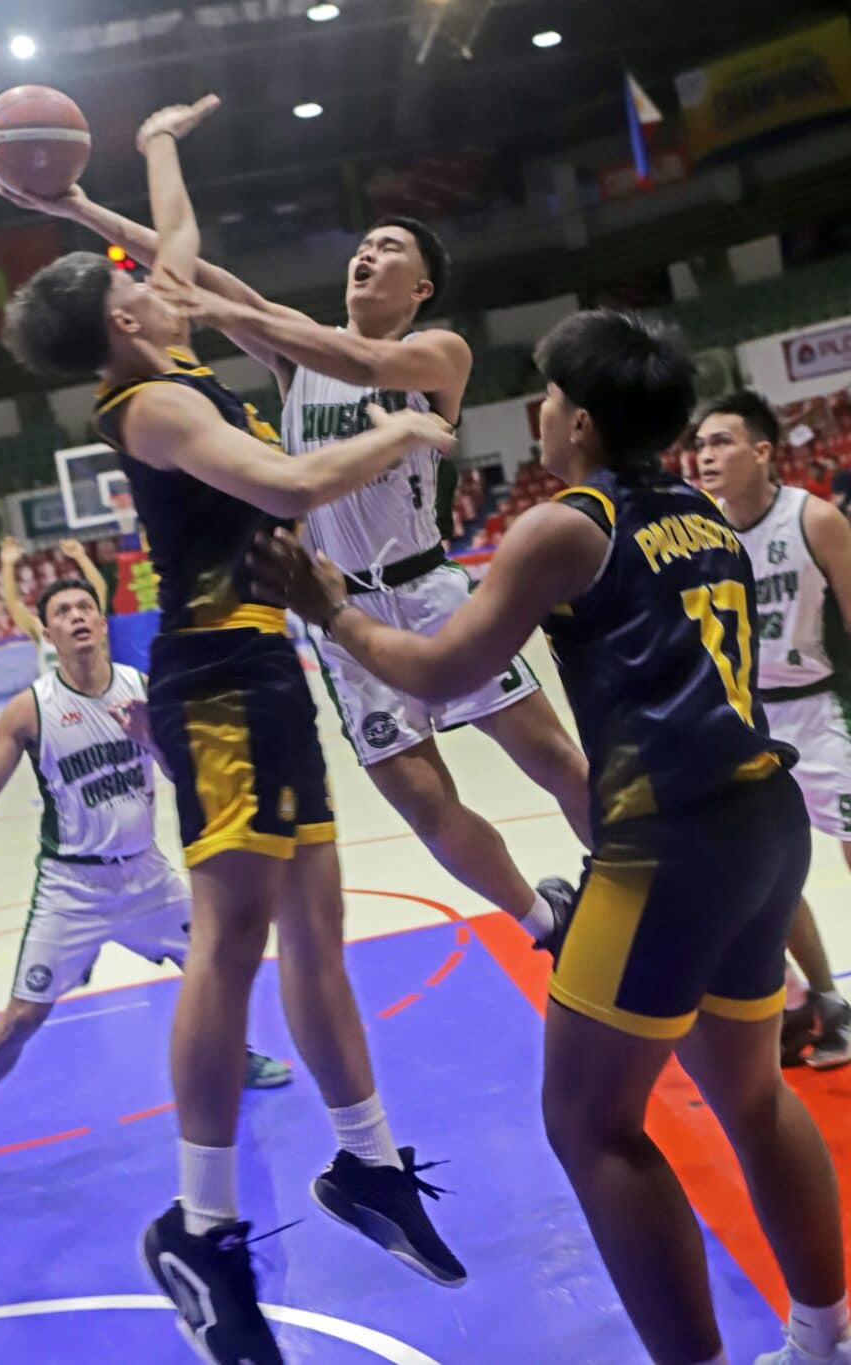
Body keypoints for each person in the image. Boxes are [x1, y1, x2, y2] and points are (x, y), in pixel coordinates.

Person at [251, 309, 851, 1365]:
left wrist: (331, 610)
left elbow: (441, 670)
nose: (536, 412)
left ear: (575, 421)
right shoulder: (702, 515)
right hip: (762, 831)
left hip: (666, 849)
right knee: (753, 1100)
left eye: (545, 398)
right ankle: (824, 1341)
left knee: (588, 1124)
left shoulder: (567, 524)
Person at [1, 96, 468, 1365]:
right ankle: (200, 1228)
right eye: (134, 287)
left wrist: (153, 146)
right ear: (119, 327)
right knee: (230, 942)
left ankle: (366, 1166)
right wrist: (406, 428)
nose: (154, 283)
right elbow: (289, 482)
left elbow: (176, 237)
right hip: (210, 681)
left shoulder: (175, 362)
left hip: (271, 669)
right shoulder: (147, 410)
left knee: (319, 929)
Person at [0, 134, 590, 951]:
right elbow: (193, 273)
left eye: (389, 248)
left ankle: (638, 879)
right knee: (425, 803)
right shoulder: (292, 353)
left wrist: (229, 309)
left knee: (551, 756)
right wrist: (76, 207)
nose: (367, 253)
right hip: (342, 615)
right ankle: (543, 920)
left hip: (430, 592)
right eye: (363, 242)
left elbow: (348, 352)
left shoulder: (436, 351)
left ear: (419, 285)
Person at [0, 575, 291, 1195]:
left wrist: (151, 737)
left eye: (86, 607)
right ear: (48, 633)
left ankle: (236, 1056)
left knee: (220, 960)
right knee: (23, 1016)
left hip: (146, 874)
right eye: (63, 611)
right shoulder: (30, 709)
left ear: (102, 622)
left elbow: (183, 773)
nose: (78, 616)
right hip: (72, 887)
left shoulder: (141, 690)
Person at [695, 391, 851, 1071]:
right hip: (749, 721)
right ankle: (822, 1000)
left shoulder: (813, 517)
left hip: (824, 711)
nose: (705, 456)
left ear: (762, 451)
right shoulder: (703, 534)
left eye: (722, 442)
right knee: (763, 874)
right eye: (698, 445)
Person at [0, 534, 108, 673]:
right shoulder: (41, 628)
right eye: (62, 607)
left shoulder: (87, 621)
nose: (70, 610)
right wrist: (7, 565)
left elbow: (100, 590)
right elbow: (13, 604)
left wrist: (81, 557)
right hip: (56, 694)